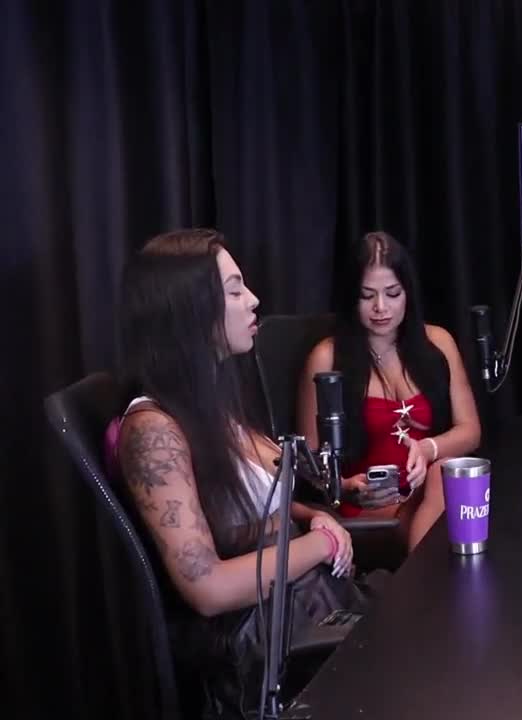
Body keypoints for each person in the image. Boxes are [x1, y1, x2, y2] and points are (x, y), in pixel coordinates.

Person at [112, 229, 376, 718]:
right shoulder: (153, 431)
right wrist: (320, 544)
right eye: (234, 291)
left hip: (305, 608)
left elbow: (245, 512)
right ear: (190, 311)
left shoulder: (213, 405)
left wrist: (309, 516)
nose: (253, 300)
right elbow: (207, 588)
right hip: (261, 651)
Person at [297, 231, 482, 551]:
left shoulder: (438, 342)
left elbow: (471, 431)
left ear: (407, 293)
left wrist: (428, 449)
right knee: (444, 499)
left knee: (445, 475)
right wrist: (346, 486)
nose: (381, 307)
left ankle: (419, 579)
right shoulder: (327, 357)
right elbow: (307, 463)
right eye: (367, 296)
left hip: (429, 492)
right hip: (367, 506)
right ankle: (427, 580)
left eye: (392, 294)